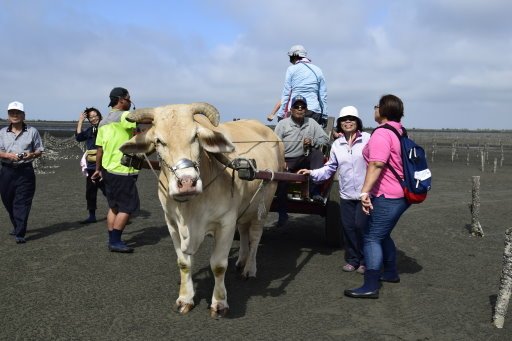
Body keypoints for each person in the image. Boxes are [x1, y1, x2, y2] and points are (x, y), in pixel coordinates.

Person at [344, 94, 411, 299]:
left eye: (376, 106)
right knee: (381, 234)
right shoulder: (399, 130)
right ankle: (390, 272)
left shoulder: (382, 133)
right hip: (399, 194)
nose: (374, 109)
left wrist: (364, 192)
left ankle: (370, 285)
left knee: (371, 237)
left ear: (382, 110)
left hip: (387, 195)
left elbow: (377, 164)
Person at [298, 106, 370, 273]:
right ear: (340, 123)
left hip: (364, 194)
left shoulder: (367, 139)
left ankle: (365, 260)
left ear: (357, 122)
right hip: (346, 194)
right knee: (348, 227)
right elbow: (330, 168)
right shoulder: (337, 144)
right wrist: (312, 173)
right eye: (344, 119)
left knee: (361, 227)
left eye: (351, 118)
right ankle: (353, 259)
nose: (348, 122)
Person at [91, 87, 139, 253]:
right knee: (127, 207)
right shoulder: (125, 116)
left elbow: (100, 149)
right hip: (123, 170)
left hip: (107, 170)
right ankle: (116, 242)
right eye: (129, 98)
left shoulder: (103, 121)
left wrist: (97, 169)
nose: (130, 100)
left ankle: (112, 239)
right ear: (121, 99)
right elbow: (140, 128)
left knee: (114, 207)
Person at [274, 95, 329, 226]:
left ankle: (315, 190)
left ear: (306, 109)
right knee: (282, 182)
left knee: (317, 154)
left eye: (302, 107)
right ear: (291, 110)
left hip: (304, 158)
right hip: (286, 159)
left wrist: (313, 141)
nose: (299, 109)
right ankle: (282, 213)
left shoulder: (311, 123)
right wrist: (281, 161)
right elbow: (275, 145)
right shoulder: (282, 124)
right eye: (296, 106)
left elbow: (325, 139)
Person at [0, 101, 44, 243]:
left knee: (23, 201)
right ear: (8, 116)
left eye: (18, 112)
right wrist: (7, 155)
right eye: (12, 112)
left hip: (25, 171)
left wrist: (31, 155)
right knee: (7, 200)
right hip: (6, 170)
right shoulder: (2, 133)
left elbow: (39, 150)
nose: (15, 115)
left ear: (23, 115)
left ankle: (20, 232)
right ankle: (17, 224)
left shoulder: (32, 131)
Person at [274, 44, 328, 126]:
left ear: (294, 56)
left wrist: (280, 114)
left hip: (295, 110)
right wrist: (324, 115)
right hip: (314, 110)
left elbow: (286, 94)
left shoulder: (291, 69)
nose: (289, 61)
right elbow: (322, 96)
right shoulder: (318, 70)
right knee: (311, 137)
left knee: (293, 137)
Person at [75, 107, 106, 224]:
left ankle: (118, 212)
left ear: (99, 115)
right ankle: (91, 216)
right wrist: (80, 121)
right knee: (90, 192)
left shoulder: (105, 128)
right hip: (91, 166)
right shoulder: (89, 130)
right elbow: (78, 137)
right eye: (90, 117)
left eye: (95, 115)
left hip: (104, 165)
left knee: (108, 190)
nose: (93, 118)